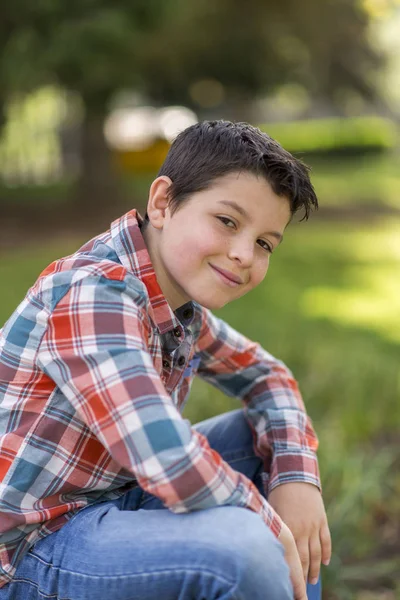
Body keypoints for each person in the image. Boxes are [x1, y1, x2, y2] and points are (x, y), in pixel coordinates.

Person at [0, 120, 331, 600]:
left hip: (105, 503)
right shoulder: (92, 294)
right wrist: (268, 524)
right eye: (227, 221)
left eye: (264, 244)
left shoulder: (176, 302)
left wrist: (298, 481)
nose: (243, 254)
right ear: (162, 203)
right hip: (30, 551)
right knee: (245, 551)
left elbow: (268, 377)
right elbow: (167, 458)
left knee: (267, 440)